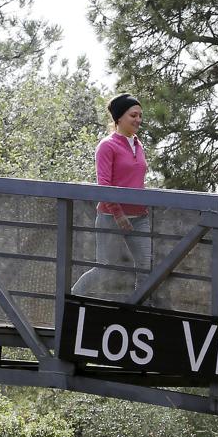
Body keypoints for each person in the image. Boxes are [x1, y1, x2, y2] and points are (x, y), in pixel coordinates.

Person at [72, 93, 152, 300]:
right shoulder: (107, 146)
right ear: (119, 118)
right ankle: (73, 298)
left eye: (140, 116)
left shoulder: (138, 144)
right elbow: (104, 184)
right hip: (111, 216)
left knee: (146, 267)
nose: (138, 120)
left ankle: (136, 311)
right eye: (133, 115)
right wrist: (118, 214)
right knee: (104, 268)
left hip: (139, 217)